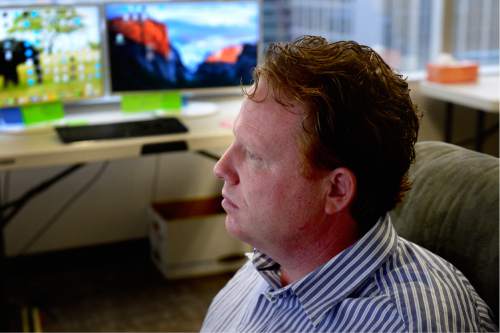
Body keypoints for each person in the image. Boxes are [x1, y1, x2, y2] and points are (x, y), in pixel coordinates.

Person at [201, 36, 497, 332]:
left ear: (337, 190)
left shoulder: (406, 324)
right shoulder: (271, 261)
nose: (221, 168)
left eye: (253, 155)